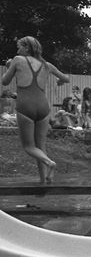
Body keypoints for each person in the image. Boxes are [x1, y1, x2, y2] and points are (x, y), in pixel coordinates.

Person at [2, 36, 69, 183]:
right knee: (41, 146)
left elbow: (5, 81)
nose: (18, 50)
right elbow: (66, 78)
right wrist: (60, 81)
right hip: (43, 107)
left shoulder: (17, 60)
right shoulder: (47, 65)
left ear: (27, 48)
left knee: (29, 146)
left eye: (20, 47)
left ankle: (50, 163)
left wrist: (9, 67)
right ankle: (43, 180)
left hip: (26, 106)